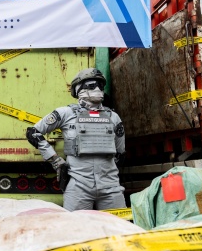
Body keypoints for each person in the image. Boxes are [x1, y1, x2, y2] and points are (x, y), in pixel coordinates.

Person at [25, 68, 126, 211]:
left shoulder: (113, 117)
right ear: (78, 89)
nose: (97, 88)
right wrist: (54, 159)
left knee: (119, 229)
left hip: (111, 187)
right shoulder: (66, 113)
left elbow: (120, 153)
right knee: (75, 230)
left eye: (100, 85)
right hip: (78, 187)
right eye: (91, 85)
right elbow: (33, 132)